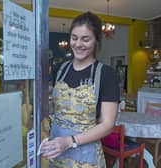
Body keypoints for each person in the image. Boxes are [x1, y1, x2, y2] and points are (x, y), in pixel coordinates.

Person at [41, 11, 119, 167]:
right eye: (74, 38)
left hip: (86, 156)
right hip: (57, 151)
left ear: (96, 40)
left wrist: (70, 142)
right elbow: (55, 109)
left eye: (85, 39)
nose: (78, 44)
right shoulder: (60, 69)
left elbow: (107, 124)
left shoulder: (106, 74)